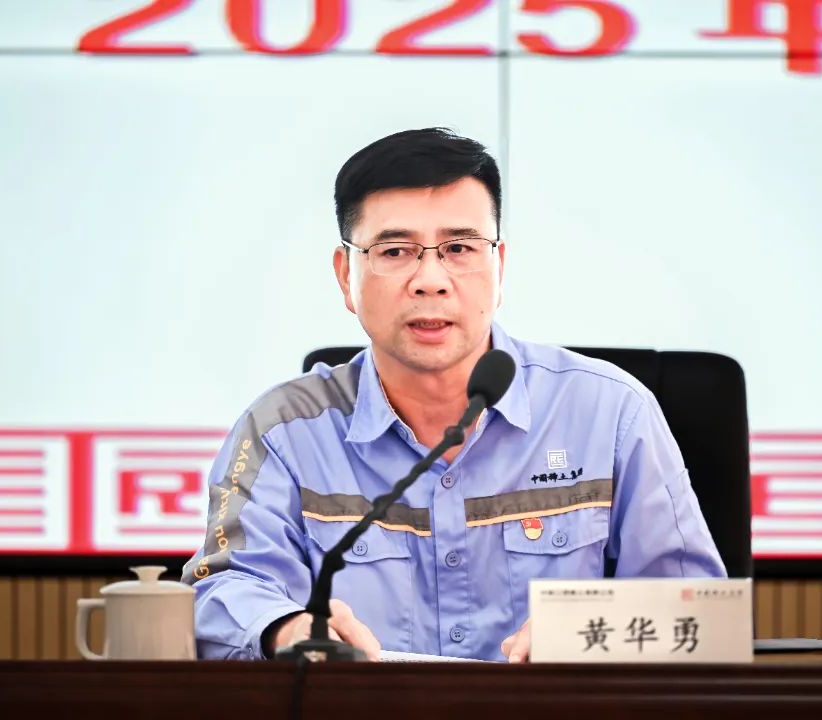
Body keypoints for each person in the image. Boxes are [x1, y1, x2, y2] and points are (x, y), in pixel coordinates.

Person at [182, 128, 725, 662]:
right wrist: (285, 629)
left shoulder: (611, 414)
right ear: (346, 275)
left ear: (499, 266)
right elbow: (219, 591)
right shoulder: (282, 431)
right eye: (395, 250)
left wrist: (588, 632)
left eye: (460, 248)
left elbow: (701, 615)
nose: (430, 279)